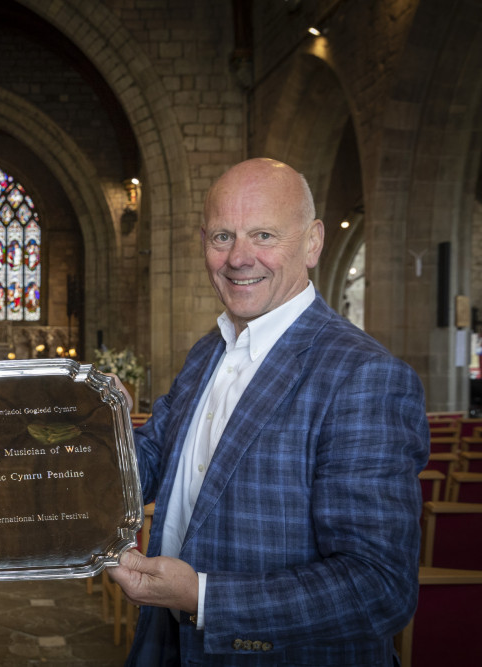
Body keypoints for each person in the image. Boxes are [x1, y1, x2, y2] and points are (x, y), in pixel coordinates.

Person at [109, 158, 428, 665]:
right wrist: (97, 424)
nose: (239, 258)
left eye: (263, 235)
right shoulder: (208, 351)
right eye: (222, 237)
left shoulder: (363, 375)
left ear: (313, 242)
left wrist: (204, 598)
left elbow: (379, 588)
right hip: (167, 647)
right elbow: (147, 463)